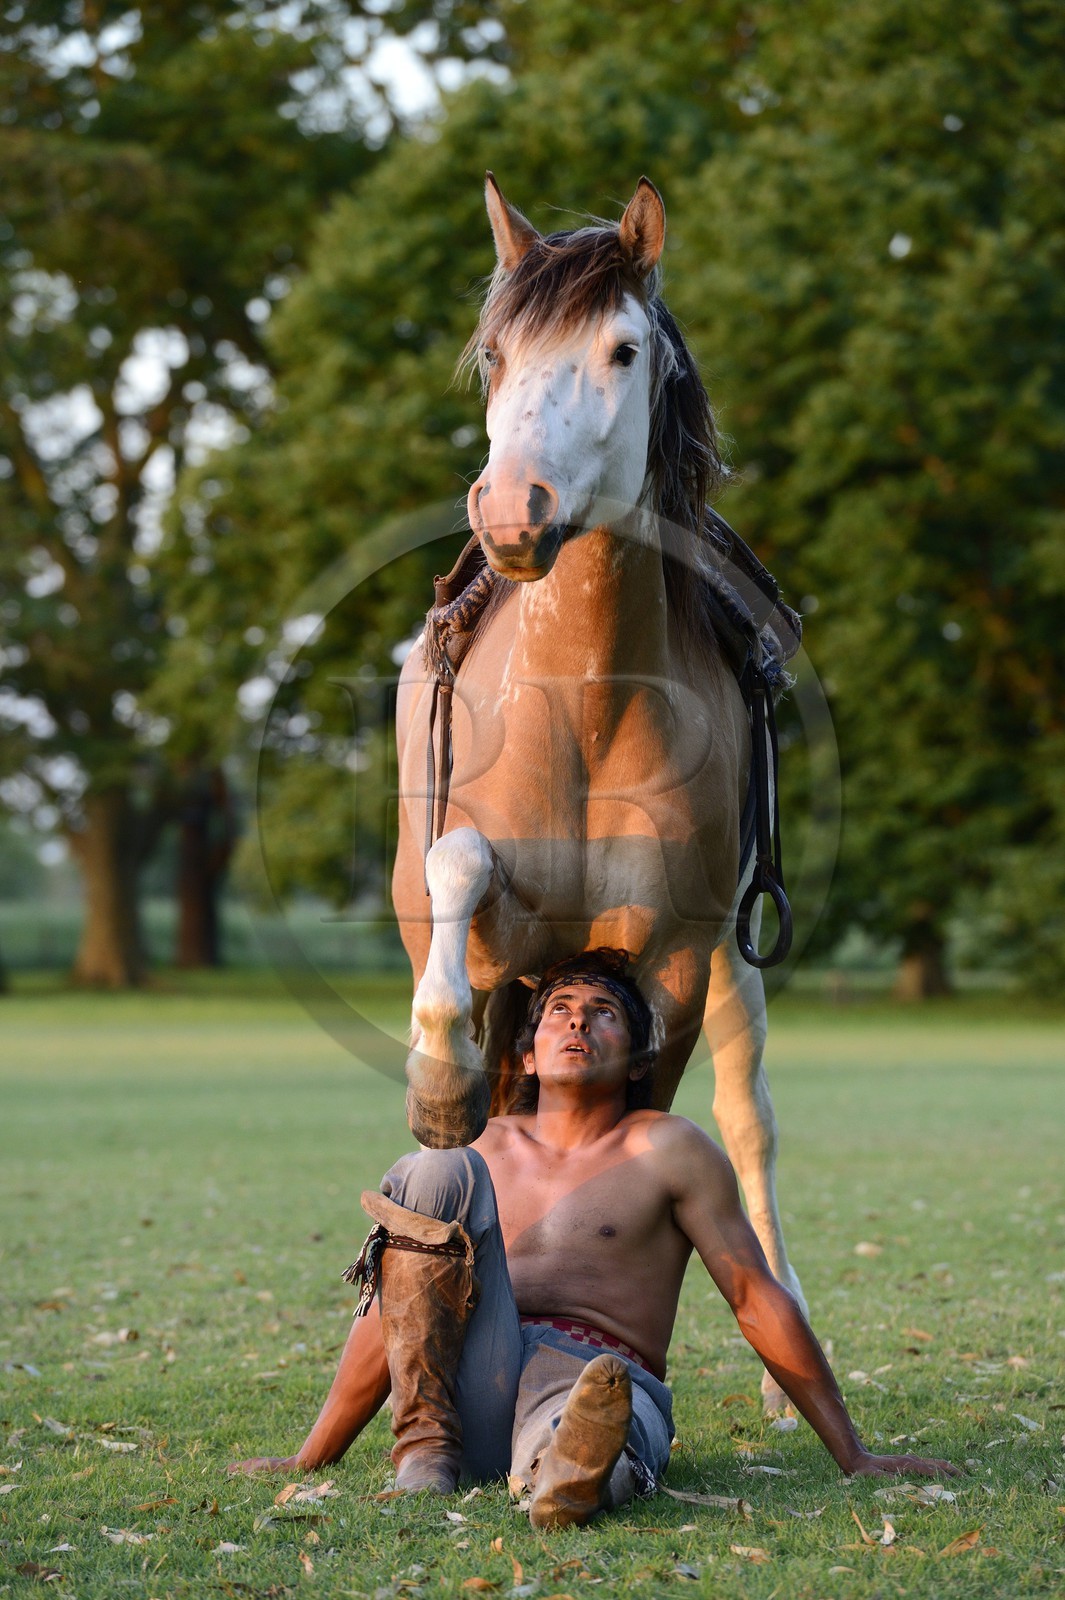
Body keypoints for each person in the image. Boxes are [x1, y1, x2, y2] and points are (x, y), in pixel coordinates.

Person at [230, 949, 957, 1527]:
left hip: (598, 1371)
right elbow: (397, 1313)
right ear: (528, 1055)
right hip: (472, 1380)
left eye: (604, 1014)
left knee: (591, 1411)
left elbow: (751, 1293)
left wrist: (854, 1455)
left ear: (639, 1062)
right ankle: (424, 1454)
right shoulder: (480, 1149)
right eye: (560, 1012)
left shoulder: (667, 1148)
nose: (579, 1024)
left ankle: (572, 1473)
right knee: (429, 1164)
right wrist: (309, 1458)